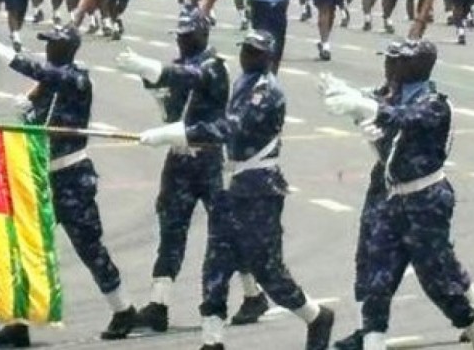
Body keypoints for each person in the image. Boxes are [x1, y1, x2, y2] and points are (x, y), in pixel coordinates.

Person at [132, 30, 336, 350]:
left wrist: (178, 134)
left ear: (268, 57)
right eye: (245, 50)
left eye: (255, 52)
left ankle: (316, 316)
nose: (247, 56)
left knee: (268, 271)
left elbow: (229, 127)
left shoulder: (267, 92)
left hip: (259, 188)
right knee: (216, 263)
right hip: (232, 184)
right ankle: (212, 341)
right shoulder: (242, 83)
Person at [0, 24, 139, 346]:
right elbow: (38, 117)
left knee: (89, 248)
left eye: (54, 45)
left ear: (68, 49)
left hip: (71, 179)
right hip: (41, 178)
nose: (49, 50)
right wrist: (28, 112)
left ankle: (123, 309)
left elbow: (36, 69)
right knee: (24, 246)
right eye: (48, 44)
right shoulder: (46, 86)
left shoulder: (75, 80)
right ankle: (18, 324)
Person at [321, 39, 474, 350]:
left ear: (416, 67)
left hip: (426, 201)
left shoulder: (435, 103)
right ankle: (371, 342)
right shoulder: (394, 94)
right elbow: (381, 106)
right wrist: (351, 97)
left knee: (439, 285)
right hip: (393, 200)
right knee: (375, 281)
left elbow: (403, 117)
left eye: (399, 62)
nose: (390, 66)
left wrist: (365, 107)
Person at [115, 6, 231, 331]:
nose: (182, 42)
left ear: (203, 35)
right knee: (171, 230)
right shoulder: (179, 66)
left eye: (188, 36)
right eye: (179, 37)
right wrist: (149, 79)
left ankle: (253, 294)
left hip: (209, 161)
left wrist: (151, 68)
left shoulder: (214, 67)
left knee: (227, 231)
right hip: (180, 160)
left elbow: (190, 78)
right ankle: (159, 303)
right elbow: (169, 99)